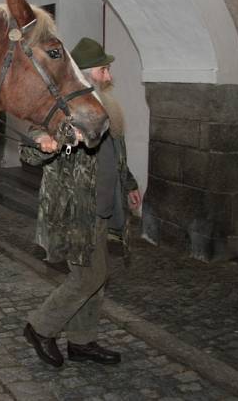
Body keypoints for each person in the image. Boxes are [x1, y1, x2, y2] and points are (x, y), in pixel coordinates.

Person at [20, 37, 142, 367]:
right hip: (76, 210)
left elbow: (114, 153)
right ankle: (40, 327)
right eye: (105, 68)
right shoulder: (60, 107)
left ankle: (82, 342)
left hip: (103, 208)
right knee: (87, 277)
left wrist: (127, 182)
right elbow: (30, 148)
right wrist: (48, 141)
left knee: (97, 277)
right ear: (88, 73)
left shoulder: (105, 105)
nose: (109, 73)